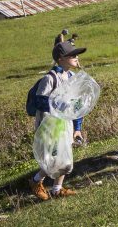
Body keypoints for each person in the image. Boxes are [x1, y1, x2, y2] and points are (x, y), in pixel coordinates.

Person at [28, 40, 87, 201]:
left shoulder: (72, 77)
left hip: (65, 124)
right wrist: (58, 103)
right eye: (72, 55)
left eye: (76, 54)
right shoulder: (50, 78)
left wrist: (77, 128)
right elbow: (39, 101)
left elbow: (76, 106)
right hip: (49, 125)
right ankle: (35, 181)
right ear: (60, 58)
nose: (76, 57)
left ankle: (56, 189)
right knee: (53, 158)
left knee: (66, 160)